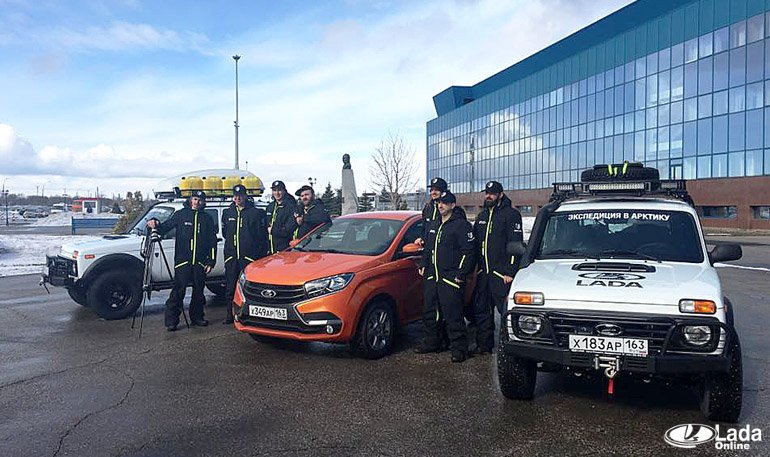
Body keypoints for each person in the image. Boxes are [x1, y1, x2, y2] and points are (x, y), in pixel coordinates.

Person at [416, 191, 476, 363]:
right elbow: (429, 248)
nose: (440, 205)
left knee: (453, 314)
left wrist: (461, 274)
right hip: (433, 276)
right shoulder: (435, 224)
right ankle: (432, 343)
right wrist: (424, 264)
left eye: (444, 203)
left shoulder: (461, 226)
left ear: (452, 205)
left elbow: (469, 252)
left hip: (451, 277)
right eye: (438, 203)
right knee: (430, 311)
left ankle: (459, 349)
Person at [147, 190, 217, 331]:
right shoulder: (181, 214)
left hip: (200, 262)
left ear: (204, 202)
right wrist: (154, 223)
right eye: (195, 199)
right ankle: (172, 321)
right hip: (183, 261)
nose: (197, 202)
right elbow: (164, 228)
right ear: (191, 200)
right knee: (178, 291)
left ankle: (197, 317)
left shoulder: (207, 218)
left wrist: (211, 261)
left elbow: (212, 241)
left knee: (198, 291)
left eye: (200, 200)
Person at [471, 180, 523, 354]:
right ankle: (484, 346)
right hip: (483, 273)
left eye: (492, 193)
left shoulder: (511, 215)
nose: (488, 196)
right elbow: (476, 244)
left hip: (501, 274)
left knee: (506, 312)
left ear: (500, 194)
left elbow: (515, 245)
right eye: (486, 192)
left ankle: (511, 348)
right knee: (481, 311)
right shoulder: (482, 216)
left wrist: (510, 271)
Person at [221, 184, 269, 324]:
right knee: (230, 287)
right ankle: (229, 316)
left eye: (240, 196)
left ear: (245, 196)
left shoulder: (255, 213)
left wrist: (257, 255)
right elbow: (226, 233)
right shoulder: (228, 213)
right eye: (235, 196)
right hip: (232, 257)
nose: (238, 198)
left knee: (249, 288)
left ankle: (251, 315)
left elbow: (261, 236)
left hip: (248, 257)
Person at [266, 180, 298, 254]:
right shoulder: (270, 206)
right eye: (274, 190)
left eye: (279, 190)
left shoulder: (291, 207)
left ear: (284, 191)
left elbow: (289, 229)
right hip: (270, 250)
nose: (277, 193)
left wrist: (273, 230)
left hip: (284, 249)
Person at [415, 177, 447, 246]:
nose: (433, 192)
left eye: (437, 190)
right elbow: (424, 228)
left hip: (443, 250)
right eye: (431, 190)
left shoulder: (450, 210)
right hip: (428, 250)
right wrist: (421, 238)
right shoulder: (427, 208)